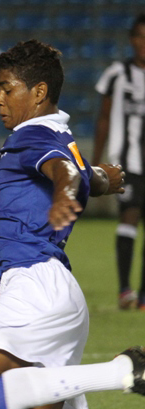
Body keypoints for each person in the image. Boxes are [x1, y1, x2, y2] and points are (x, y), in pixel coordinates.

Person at [0, 40, 145, 409]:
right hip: (59, 296)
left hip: (33, 285)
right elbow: (73, 170)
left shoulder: (33, 134)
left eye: (7, 89)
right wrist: (100, 179)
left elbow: (62, 170)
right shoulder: (55, 133)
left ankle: (124, 371)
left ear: (38, 92)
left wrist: (69, 187)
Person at [93, 13, 145, 310]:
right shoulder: (117, 73)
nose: (144, 43)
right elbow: (103, 118)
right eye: (139, 36)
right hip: (128, 162)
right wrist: (96, 160)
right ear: (131, 39)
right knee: (129, 217)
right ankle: (125, 290)